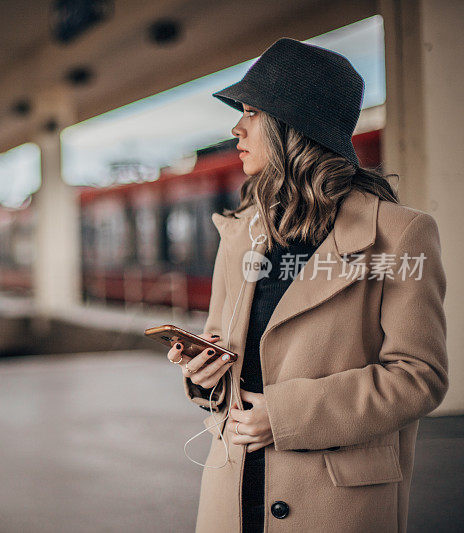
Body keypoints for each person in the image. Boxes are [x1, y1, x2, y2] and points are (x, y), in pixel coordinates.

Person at [165, 38, 447, 533]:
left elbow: (418, 376)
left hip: (336, 503)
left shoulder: (400, 234)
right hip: (231, 492)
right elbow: (223, 349)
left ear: (293, 126)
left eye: (251, 111)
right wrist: (202, 372)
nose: (236, 127)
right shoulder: (240, 234)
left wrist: (287, 415)